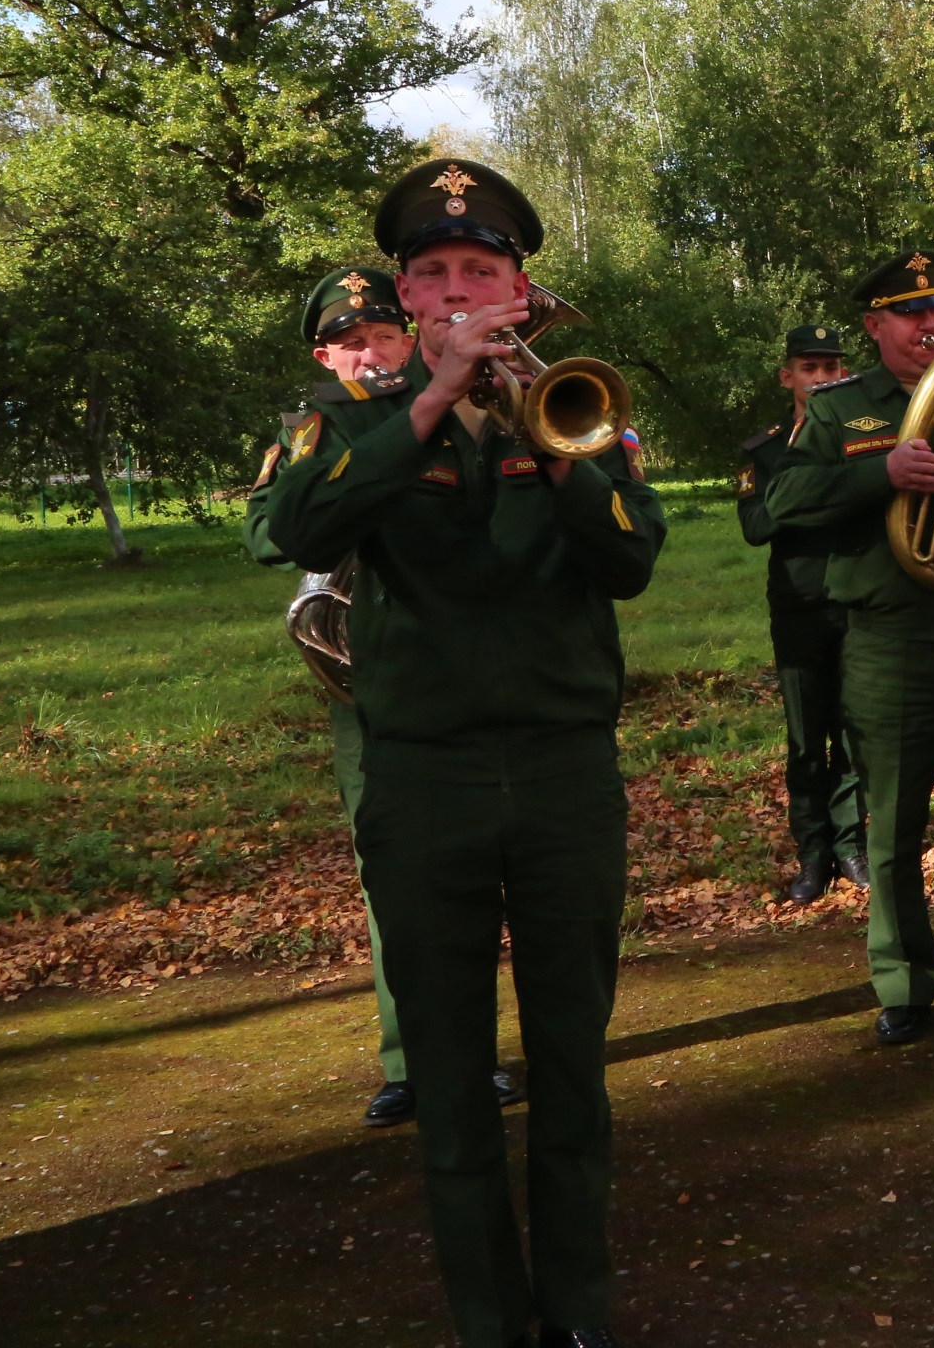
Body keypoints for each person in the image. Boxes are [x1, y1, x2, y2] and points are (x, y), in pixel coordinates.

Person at [264, 159, 666, 1348]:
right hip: (424, 777)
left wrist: (560, 447)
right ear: (405, 293)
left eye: (479, 271)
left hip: (562, 772)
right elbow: (295, 526)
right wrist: (431, 401)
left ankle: (576, 1307)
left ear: (518, 291)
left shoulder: (582, 409)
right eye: (433, 272)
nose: (455, 290)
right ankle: (489, 1317)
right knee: (447, 1074)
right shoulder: (356, 421)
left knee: (572, 1060)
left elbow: (631, 561)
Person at [245, 265, 520, 1131]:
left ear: (408, 340)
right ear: (326, 358)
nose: (371, 353)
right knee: (396, 883)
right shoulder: (316, 428)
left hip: (476, 668)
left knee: (497, 868)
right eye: (351, 343)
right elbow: (268, 534)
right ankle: (413, 1060)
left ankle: (486, 1051)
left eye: (384, 336)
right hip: (372, 679)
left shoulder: (471, 408)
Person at [761, 252, 934, 1044]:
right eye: (912, 313)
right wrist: (882, 472)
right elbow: (783, 501)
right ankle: (905, 983)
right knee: (894, 827)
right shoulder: (841, 410)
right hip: (889, 640)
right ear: (875, 325)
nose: (932, 325)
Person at [735, 324, 864, 905]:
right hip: (799, 607)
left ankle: (852, 846)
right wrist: (816, 489)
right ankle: (813, 854)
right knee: (807, 739)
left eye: (831, 368)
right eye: (810, 369)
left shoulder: (862, 438)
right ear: (788, 377)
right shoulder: (763, 450)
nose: (822, 378)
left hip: (857, 599)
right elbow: (755, 526)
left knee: (856, 736)